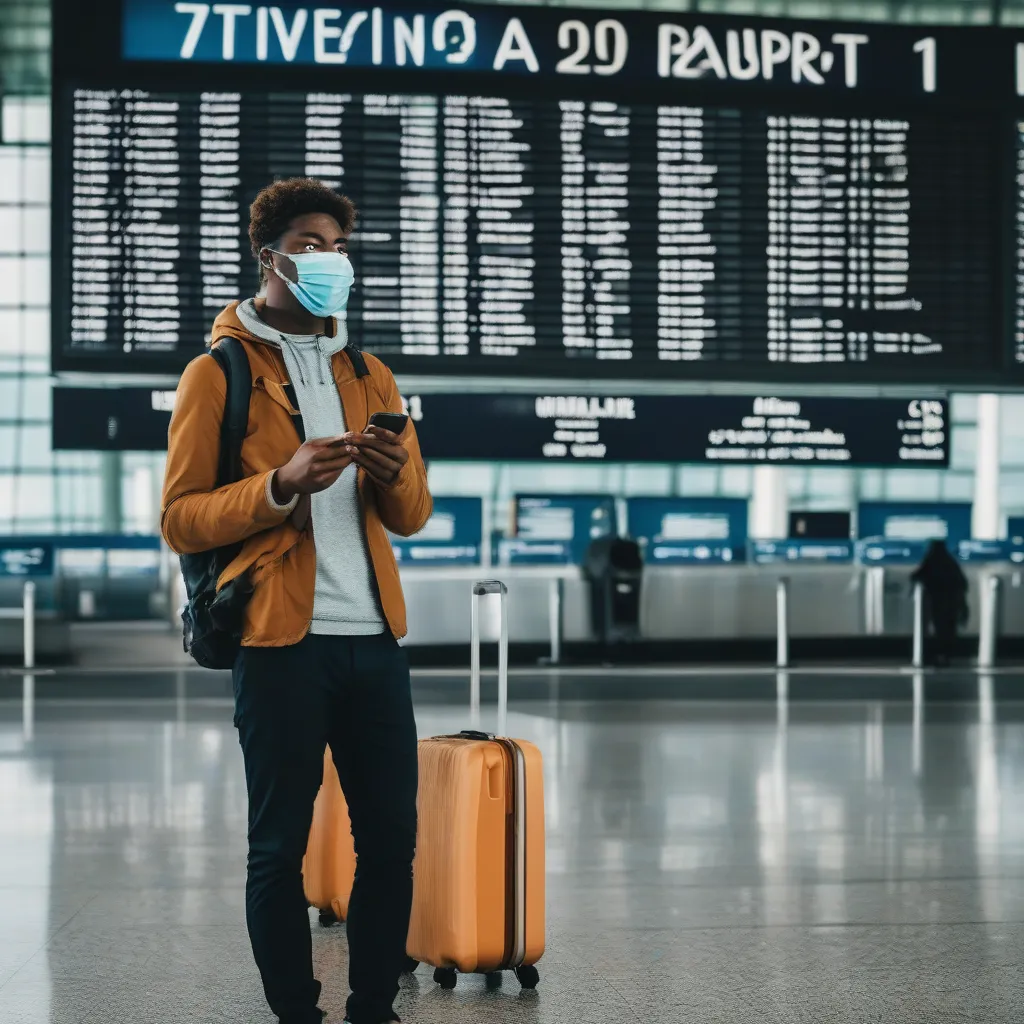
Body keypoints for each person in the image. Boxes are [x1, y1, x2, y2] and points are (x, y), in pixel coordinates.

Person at [161, 178, 432, 1024]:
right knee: (278, 846)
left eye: (338, 245)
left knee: (391, 839)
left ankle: (372, 1009)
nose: (330, 260)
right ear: (269, 255)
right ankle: (295, 1013)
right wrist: (279, 484)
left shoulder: (370, 372)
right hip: (280, 641)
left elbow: (414, 515)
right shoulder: (219, 372)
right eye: (311, 243)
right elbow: (180, 517)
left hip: (374, 640)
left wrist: (394, 477)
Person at [911, 539, 969, 667]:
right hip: (952, 604)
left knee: (938, 629)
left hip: (937, 604)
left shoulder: (931, 561)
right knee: (949, 630)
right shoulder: (951, 563)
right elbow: (962, 583)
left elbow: (917, 575)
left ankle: (936, 655)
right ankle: (946, 656)